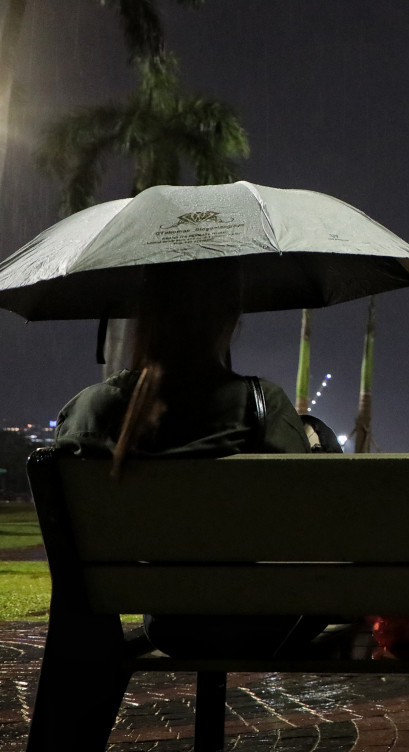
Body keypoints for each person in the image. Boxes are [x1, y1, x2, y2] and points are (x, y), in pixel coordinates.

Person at [54, 259, 316, 656]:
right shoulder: (261, 404)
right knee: (317, 435)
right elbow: (303, 523)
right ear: (230, 319)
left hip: (166, 622)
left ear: (143, 315)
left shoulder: (89, 410)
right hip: (266, 621)